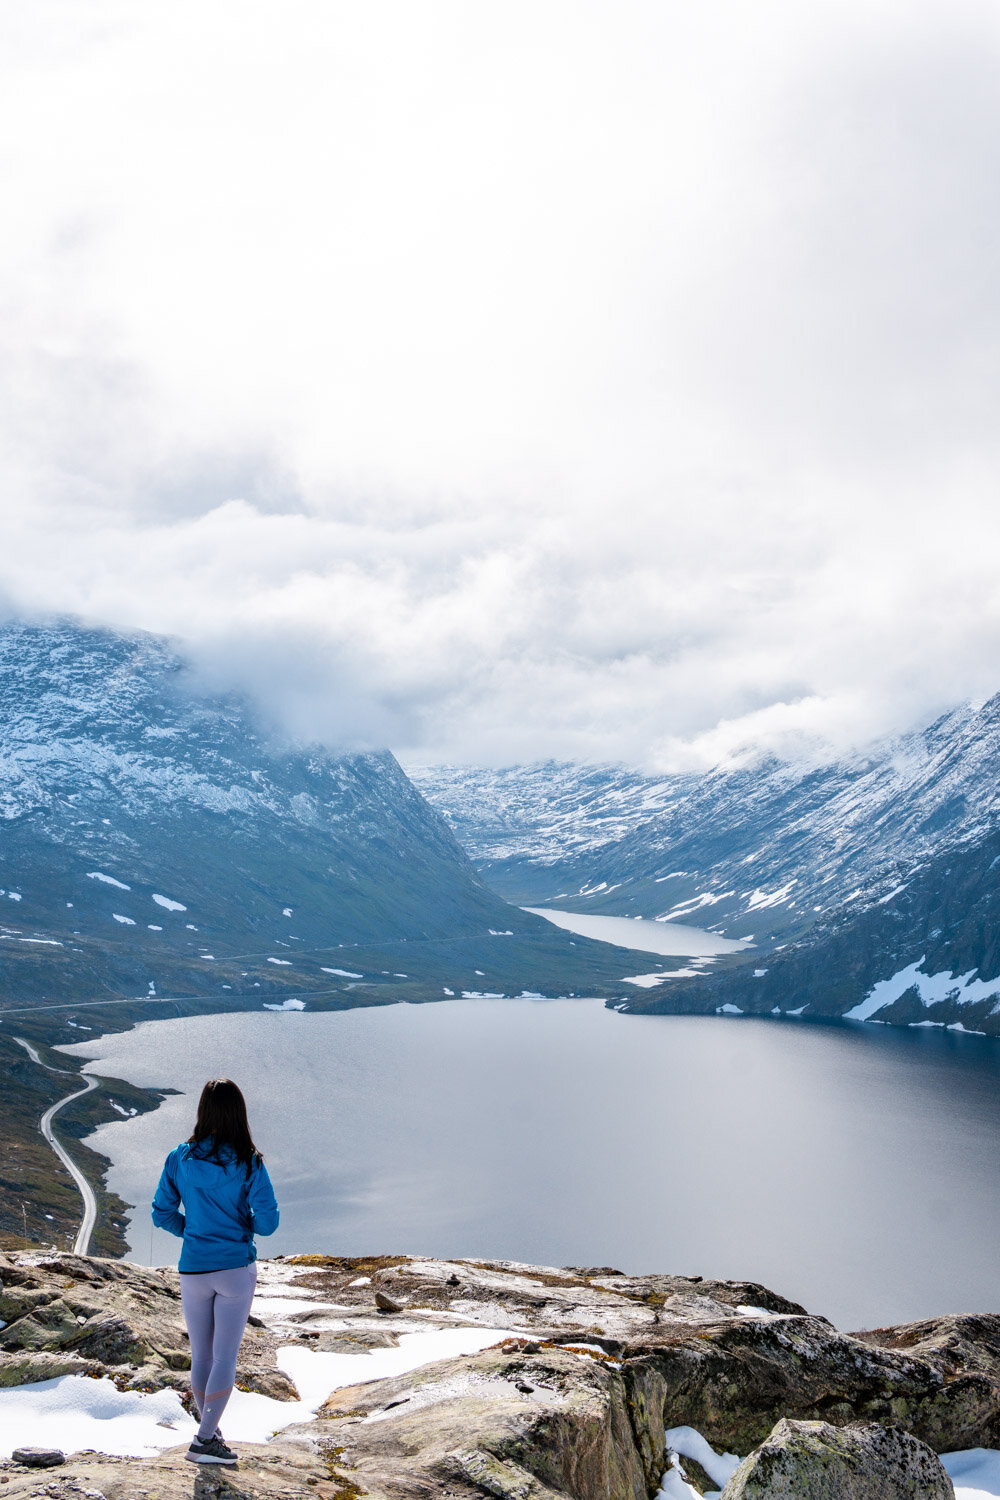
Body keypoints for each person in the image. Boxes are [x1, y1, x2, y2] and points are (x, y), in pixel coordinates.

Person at [152, 1078, 279, 1466]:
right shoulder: (249, 1161)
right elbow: (269, 1223)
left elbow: (161, 1212)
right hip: (235, 1269)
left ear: (202, 1111)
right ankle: (205, 1439)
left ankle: (210, 1430)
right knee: (225, 1357)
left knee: (201, 1355)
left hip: (194, 1269)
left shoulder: (180, 1157)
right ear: (238, 1113)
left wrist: (190, 1230)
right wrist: (243, 1226)